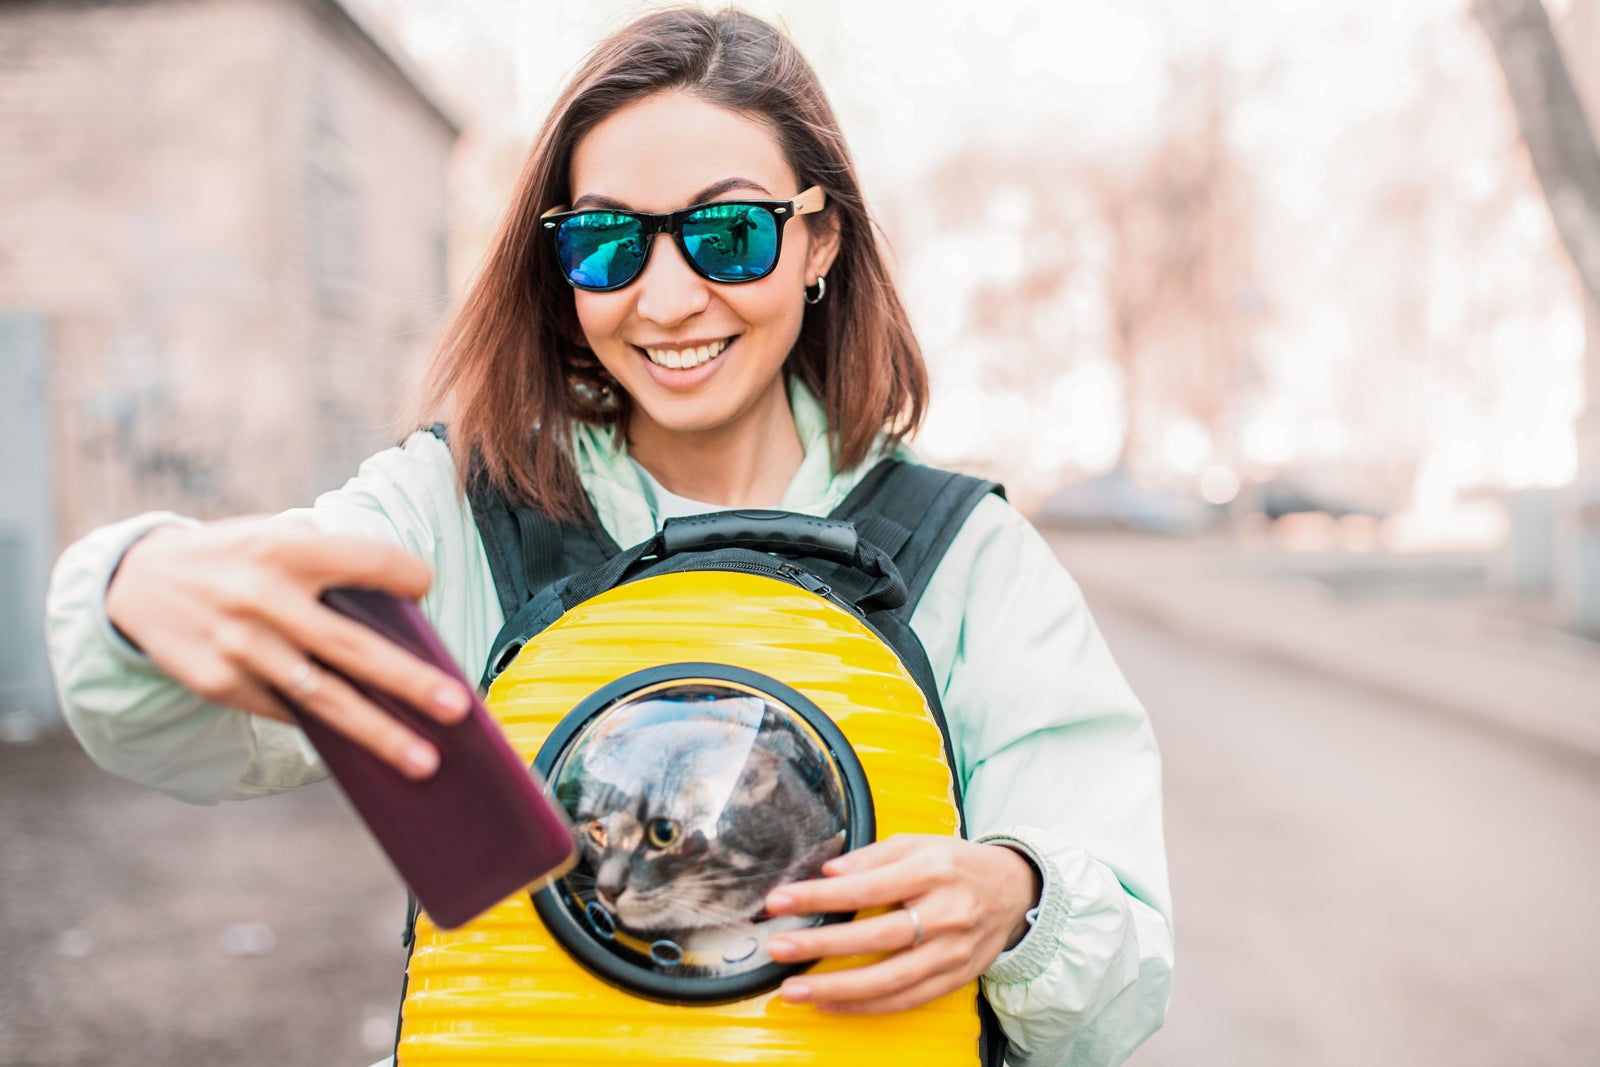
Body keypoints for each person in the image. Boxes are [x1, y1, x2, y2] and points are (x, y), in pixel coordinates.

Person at [45, 8, 1172, 1065]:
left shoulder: (965, 559)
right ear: (560, 265)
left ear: (818, 239)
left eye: (728, 235)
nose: (668, 297)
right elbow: (199, 721)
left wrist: (1018, 897)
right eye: (606, 244)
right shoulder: (458, 511)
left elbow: (1118, 975)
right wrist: (139, 589)